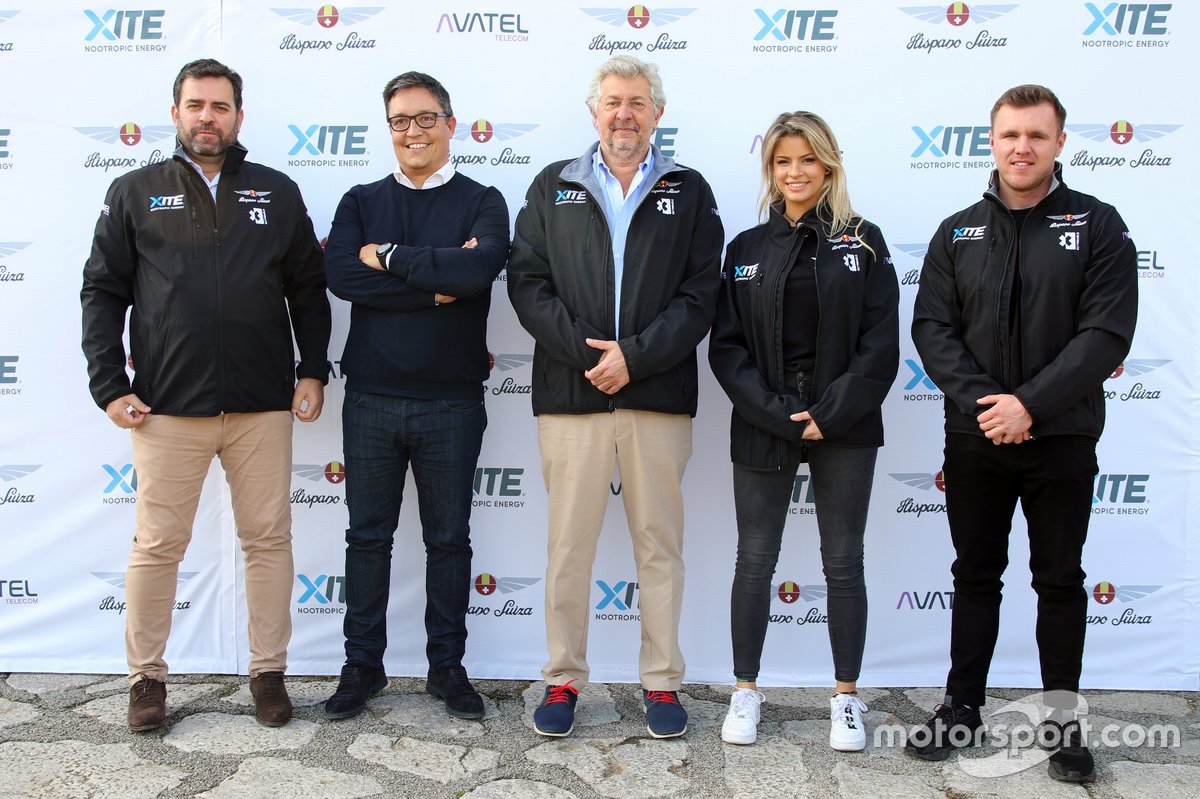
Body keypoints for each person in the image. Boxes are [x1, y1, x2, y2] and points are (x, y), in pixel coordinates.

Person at [81, 58, 331, 731]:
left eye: (220, 106)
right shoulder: (135, 191)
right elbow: (103, 291)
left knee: (268, 539)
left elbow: (308, 288)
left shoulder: (276, 192)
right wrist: (109, 384)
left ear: (239, 116)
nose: (207, 117)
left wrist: (312, 370)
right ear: (176, 113)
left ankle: (268, 671)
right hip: (165, 406)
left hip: (260, 405)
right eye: (196, 105)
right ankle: (146, 679)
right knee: (158, 543)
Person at [907, 85, 1137, 783]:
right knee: (975, 575)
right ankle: (963, 706)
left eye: (1037, 135)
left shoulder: (1098, 225)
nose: (1022, 147)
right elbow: (931, 329)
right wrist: (990, 405)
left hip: (1062, 436)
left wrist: (1029, 406)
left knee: (1059, 580)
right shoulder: (957, 231)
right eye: (1010, 134)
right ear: (993, 140)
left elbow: (1105, 333)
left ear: (1060, 143)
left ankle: (1062, 723)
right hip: (976, 436)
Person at [507, 55, 723, 740]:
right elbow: (528, 284)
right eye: (612, 102)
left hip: (656, 396)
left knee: (659, 545)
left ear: (657, 112)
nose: (624, 113)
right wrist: (589, 356)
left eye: (637, 101)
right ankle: (563, 676)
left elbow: (701, 295)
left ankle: (661, 682)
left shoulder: (688, 190)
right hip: (572, 396)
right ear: (593, 110)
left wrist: (635, 358)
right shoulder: (553, 186)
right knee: (568, 546)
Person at [708, 112, 899, 750]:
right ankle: (745, 691)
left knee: (843, 561)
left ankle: (846, 697)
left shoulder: (863, 241)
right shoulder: (745, 249)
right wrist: (772, 410)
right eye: (783, 162)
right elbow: (727, 348)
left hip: (844, 422)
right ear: (771, 170)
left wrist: (831, 411)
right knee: (754, 559)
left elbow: (879, 345)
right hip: (764, 419)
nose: (795, 173)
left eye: (807, 161)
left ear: (829, 166)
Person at [322, 71, 509, 721]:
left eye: (426, 118)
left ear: (451, 124)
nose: (413, 131)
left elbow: (478, 268)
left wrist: (390, 256)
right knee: (367, 538)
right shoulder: (359, 199)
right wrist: (433, 283)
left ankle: (447, 669)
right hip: (371, 395)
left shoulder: (484, 201)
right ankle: (362, 666)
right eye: (400, 120)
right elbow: (343, 274)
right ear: (389, 129)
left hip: (452, 401)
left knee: (449, 540)